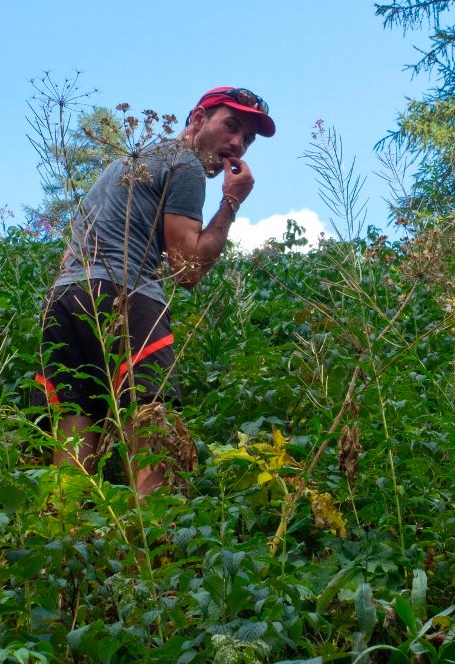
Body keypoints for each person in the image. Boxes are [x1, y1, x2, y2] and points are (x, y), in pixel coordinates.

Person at [34, 86, 275, 494]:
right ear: (197, 119)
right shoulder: (185, 165)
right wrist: (231, 203)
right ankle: (152, 545)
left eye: (247, 139)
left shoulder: (121, 165)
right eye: (230, 126)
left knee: (73, 439)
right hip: (128, 298)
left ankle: (66, 539)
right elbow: (187, 270)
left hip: (63, 301)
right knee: (150, 437)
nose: (237, 143)